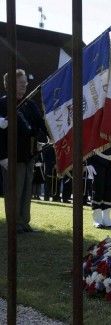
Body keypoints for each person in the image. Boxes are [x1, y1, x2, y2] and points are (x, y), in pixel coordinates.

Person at [0, 69, 48, 233]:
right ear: (10, 85)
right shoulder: (3, 104)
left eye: (26, 83)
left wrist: (52, 135)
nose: (25, 86)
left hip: (29, 155)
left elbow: (41, 124)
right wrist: (2, 157)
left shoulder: (30, 104)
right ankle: (14, 224)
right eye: (21, 83)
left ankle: (24, 222)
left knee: (27, 190)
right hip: (11, 156)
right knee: (15, 191)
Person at [87, 130, 111, 229]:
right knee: (98, 188)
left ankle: (106, 218)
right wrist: (89, 162)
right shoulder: (100, 116)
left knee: (110, 189)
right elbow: (90, 138)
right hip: (98, 158)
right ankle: (97, 219)